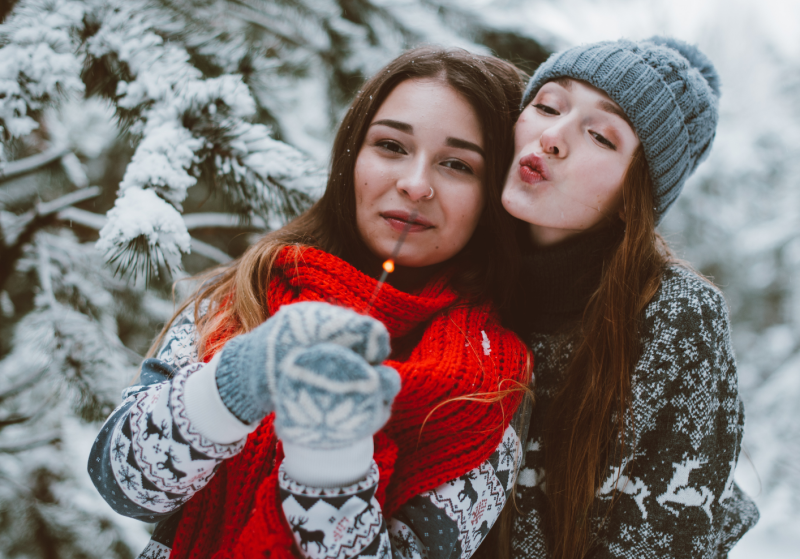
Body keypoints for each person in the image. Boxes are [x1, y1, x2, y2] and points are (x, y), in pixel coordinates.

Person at [88, 47, 533, 559]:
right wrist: (232, 385)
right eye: (391, 145)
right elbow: (121, 483)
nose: (414, 184)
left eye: (457, 164)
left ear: (495, 190)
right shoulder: (248, 293)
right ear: (352, 154)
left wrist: (332, 455)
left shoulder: (493, 381)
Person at [486, 37, 760, 559]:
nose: (552, 137)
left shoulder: (674, 316)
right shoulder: (458, 261)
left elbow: (663, 538)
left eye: (601, 137)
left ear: (631, 199)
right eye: (546, 106)